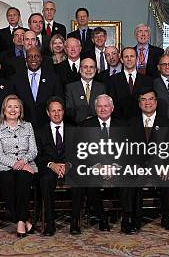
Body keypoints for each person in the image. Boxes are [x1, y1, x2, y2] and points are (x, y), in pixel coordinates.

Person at [126, 88, 169, 233]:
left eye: (151, 99)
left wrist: (167, 166)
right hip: (138, 165)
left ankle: (166, 218)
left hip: (160, 166)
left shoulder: (167, 123)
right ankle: (136, 220)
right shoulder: (131, 123)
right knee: (133, 179)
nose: (148, 103)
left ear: (156, 102)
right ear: (139, 103)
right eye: (144, 99)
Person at [71, 94, 119, 234]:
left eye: (106, 106)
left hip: (116, 168)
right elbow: (80, 151)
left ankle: (129, 217)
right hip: (94, 167)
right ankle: (102, 218)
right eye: (99, 106)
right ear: (95, 108)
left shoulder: (121, 124)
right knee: (90, 184)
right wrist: (98, 166)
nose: (103, 109)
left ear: (112, 108)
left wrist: (114, 167)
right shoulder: (86, 125)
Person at [0, 95, 38, 237]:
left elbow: (33, 150)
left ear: (20, 110)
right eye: (9, 106)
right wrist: (16, 164)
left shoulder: (28, 126)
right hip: (2, 166)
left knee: (23, 180)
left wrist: (23, 162)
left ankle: (19, 221)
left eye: (16, 106)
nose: (13, 109)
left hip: (26, 164)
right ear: (4, 110)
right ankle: (22, 220)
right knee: (8, 180)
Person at [35, 97, 69, 236]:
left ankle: (75, 223)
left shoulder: (73, 129)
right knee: (46, 180)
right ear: (48, 113)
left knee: (79, 179)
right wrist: (51, 164)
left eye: (59, 110)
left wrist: (68, 165)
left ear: (63, 112)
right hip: (49, 168)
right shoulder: (40, 131)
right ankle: (50, 222)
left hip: (69, 167)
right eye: (53, 111)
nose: (56, 114)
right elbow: (37, 155)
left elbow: (79, 151)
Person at [11, 47, 63, 128]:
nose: (33, 59)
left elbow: (59, 101)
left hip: (47, 126)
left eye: (36, 56)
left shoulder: (53, 78)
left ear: (41, 58)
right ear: (26, 59)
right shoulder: (16, 79)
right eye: (30, 56)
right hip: (23, 126)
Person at [107, 47, 153, 120]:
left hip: (141, 123)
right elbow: (111, 104)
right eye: (126, 57)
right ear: (121, 60)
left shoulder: (147, 80)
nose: (129, 59)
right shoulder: (112, 80)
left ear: (137, 58)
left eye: (132, 56)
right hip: (119, 123)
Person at [65, 58, 106, 125]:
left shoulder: (102, 87)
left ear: (95, 70)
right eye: (85, 67)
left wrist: (93, 121)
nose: (88, 70)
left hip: (98, 127)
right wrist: (84, 120)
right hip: (77, 127)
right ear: (80, 70)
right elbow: (69, 110)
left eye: (91, 67)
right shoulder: (70, 88)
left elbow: (105, 108)